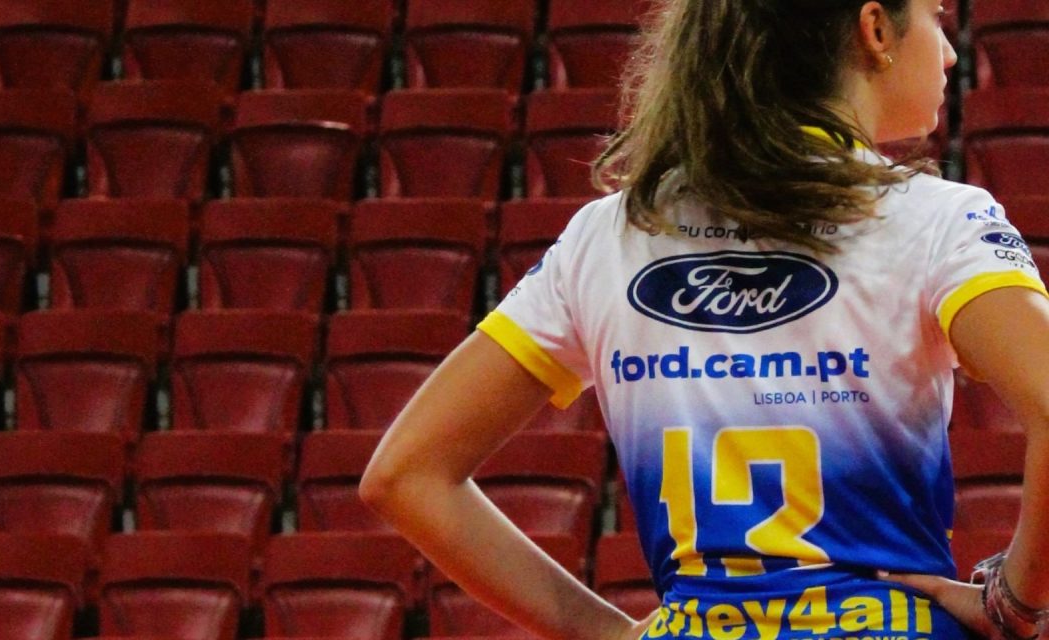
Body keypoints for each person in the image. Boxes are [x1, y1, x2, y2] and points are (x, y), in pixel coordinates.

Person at [358, 0, 1049, 638]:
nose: (950, 52)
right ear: (874, 29)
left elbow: (405, 476)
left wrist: (608, 633)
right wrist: (1015, 602)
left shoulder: (607, 235)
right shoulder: (938, 220)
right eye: (935, 15)